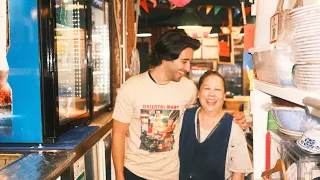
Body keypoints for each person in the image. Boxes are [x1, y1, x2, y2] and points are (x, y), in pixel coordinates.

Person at [112, 29, 247, 180]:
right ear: (166, 57)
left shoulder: (187, 88)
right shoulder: (131, 87)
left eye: (189, 62)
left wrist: (232, 115)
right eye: (184, 61)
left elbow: (206, 110)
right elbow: (118, 134)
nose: (188, 68)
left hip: (172, 174)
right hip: (135, 172)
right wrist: (119, 175)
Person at [179, 70, 253, 180]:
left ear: (224, 96)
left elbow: (238, 174)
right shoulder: (184, 118)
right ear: (198, 93)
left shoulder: (233, 128)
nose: (211, 94)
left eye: (217, 89)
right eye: (207, 88)